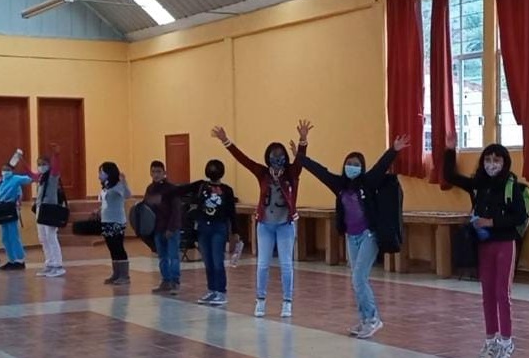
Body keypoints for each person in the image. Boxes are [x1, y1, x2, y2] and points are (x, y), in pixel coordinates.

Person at [300, 134, 409, 337]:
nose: (352, 167)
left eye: (356, 164)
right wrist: (301, 154)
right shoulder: (339, 184)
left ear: (362, 167)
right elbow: (319, 172)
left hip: (369, 235)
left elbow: (380, 166)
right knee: (357, 279)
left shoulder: (368, 182)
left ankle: (374, 319)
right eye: (349, 163)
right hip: (352, 237)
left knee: (359, 278)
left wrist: (394, 149)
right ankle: (365, 319)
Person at [212, 120, 311, 319]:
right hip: (265, 225)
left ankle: (287, 302)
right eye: (274, 155)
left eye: (281, 155)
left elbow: (300, 162)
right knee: (263, 264)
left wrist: (302, 141)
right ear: (268, 158)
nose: (277, 158)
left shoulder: (292, 173)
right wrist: (226, 141)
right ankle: (260, 300)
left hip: (285, 225)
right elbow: (244, 160)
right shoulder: (262, 173)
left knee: (286, 264)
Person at [442, 142, 528, 358]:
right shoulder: (477, 185)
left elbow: (520, 216)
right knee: (487, 293)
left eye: (496, 160)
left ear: (504, 162)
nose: (492, 165)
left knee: (502, 293)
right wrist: (450, 150)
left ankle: (507, 341)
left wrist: (492, 222)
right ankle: (490, 339)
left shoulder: (512, 187)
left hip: (504, 244)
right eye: (488, 160)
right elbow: (450, 176)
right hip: (484, 245)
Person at [168, 159, 240, 306]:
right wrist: (165, 185)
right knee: (208, 261)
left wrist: (235, 231)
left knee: (217, 260)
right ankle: (212, 289)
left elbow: (231, 212)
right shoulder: (201, 185)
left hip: (218, 228)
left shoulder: (227, 190)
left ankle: (221, 291)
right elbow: (181, 189)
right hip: (203, 228)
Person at [143, 160, 183, 295]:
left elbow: (176, 210)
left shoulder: (172, 189)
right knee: (162, 257)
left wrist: (171, 228)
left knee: (173, 256)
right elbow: (146, 209)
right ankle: (165, 281)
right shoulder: (150, 189)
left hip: (171, 228)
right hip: (157, 228)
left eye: (159, 172)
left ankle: (175, 281)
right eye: (153, 172)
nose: (156, 174)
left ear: (164, 173)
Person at [0, 150, 33, 271]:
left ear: (12, 171)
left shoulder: (16, 178)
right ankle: (11, 259)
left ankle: (20, 259)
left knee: (13, 235)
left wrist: (24, 164)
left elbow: (29, 179)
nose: (5, 171)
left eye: (7, 169)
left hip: (10, 208)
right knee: (5, 237)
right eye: (3, 169)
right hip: (1, 208)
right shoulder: (2, 181)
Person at [27, 145, 65, 278]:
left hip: (50, 208)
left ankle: (58, 265)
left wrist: (56, 155)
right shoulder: (41, 177)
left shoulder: (52, 176)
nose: (40, 166)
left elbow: (56, 167)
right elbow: (31, 174)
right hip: (40, 208)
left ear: (49, 165)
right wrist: (21, 161)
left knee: (51, 236)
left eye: (43, 164)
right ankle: (49, 263)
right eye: (38, 164)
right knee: (43, 238)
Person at [98, 162, 132, 285]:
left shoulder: (118, 185)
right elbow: (104, 203)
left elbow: (128, 195)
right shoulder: (105, 187)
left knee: (118, 247)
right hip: (106, 221)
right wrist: (98, 211)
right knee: (112, 248)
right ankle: (116, 273)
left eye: (102, 172)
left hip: (117, 221)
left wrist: (124, 182)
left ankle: (124, 275)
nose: (100, 175)